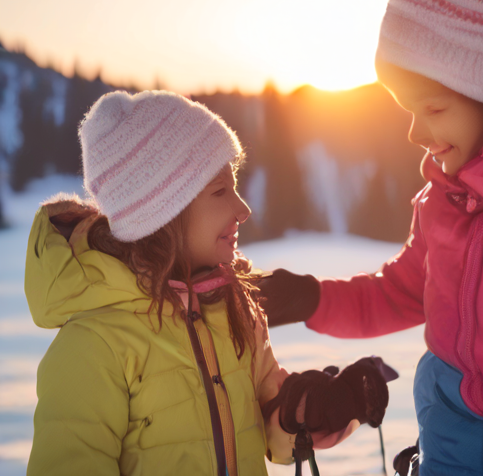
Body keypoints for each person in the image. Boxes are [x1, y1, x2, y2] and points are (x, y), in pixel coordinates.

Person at [25, 90, 391, 476]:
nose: (243, 209)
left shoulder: (233, 308)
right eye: (220, 191)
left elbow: (268, 428)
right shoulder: (93, 346)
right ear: (161, 214)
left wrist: (306, 410)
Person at [259, 0, 483, 475]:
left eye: (433, 109)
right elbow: (400, 291)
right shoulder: (443, 202)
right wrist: (314, 297)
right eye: (407, 110)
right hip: (449, 436)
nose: (415, 132)